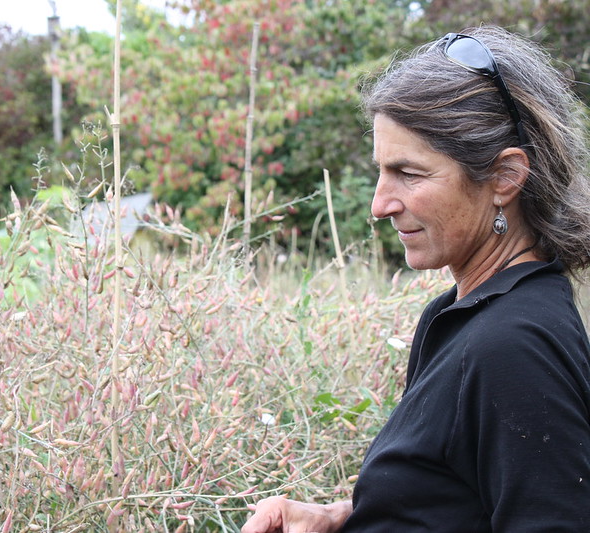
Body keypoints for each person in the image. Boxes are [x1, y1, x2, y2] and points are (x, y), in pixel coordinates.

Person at [242, 26, 590, 532]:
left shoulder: (513, 347)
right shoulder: (464, 315)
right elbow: (459, 500)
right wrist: (342, 517)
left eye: (409, 172)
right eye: (382, 171)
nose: (380, 205)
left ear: (505, 178)